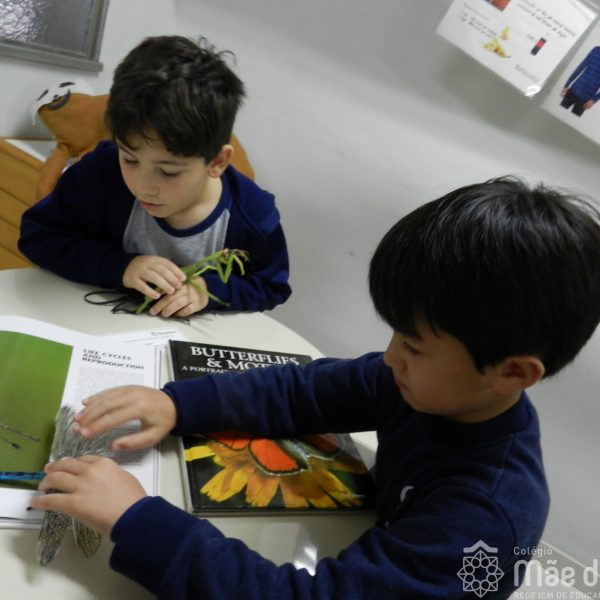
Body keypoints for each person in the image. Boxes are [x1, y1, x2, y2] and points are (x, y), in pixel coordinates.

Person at [31, 178, 600, 598]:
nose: (390, 357)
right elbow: (305, 390)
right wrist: (176, 403)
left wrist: (138, 520)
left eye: (414, 345)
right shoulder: (426, 387)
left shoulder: (484, 522)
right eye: (395, 334)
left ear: (513, 373)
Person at [19, 36, 291, 317]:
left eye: (168, 172)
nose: (143, 188)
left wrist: (210, 290)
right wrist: (121, 267)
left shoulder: (253, 215)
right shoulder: (101, 171)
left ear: (217, 162)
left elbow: (270, 286)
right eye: (130, 159)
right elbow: (38, 237)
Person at [560, 46, 600, 117]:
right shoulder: (596, 50)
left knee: (571, 118)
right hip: (574, 89)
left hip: (585, 98)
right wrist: (567, 84)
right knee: (560, 112)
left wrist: (594, 100)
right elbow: (581, 66)